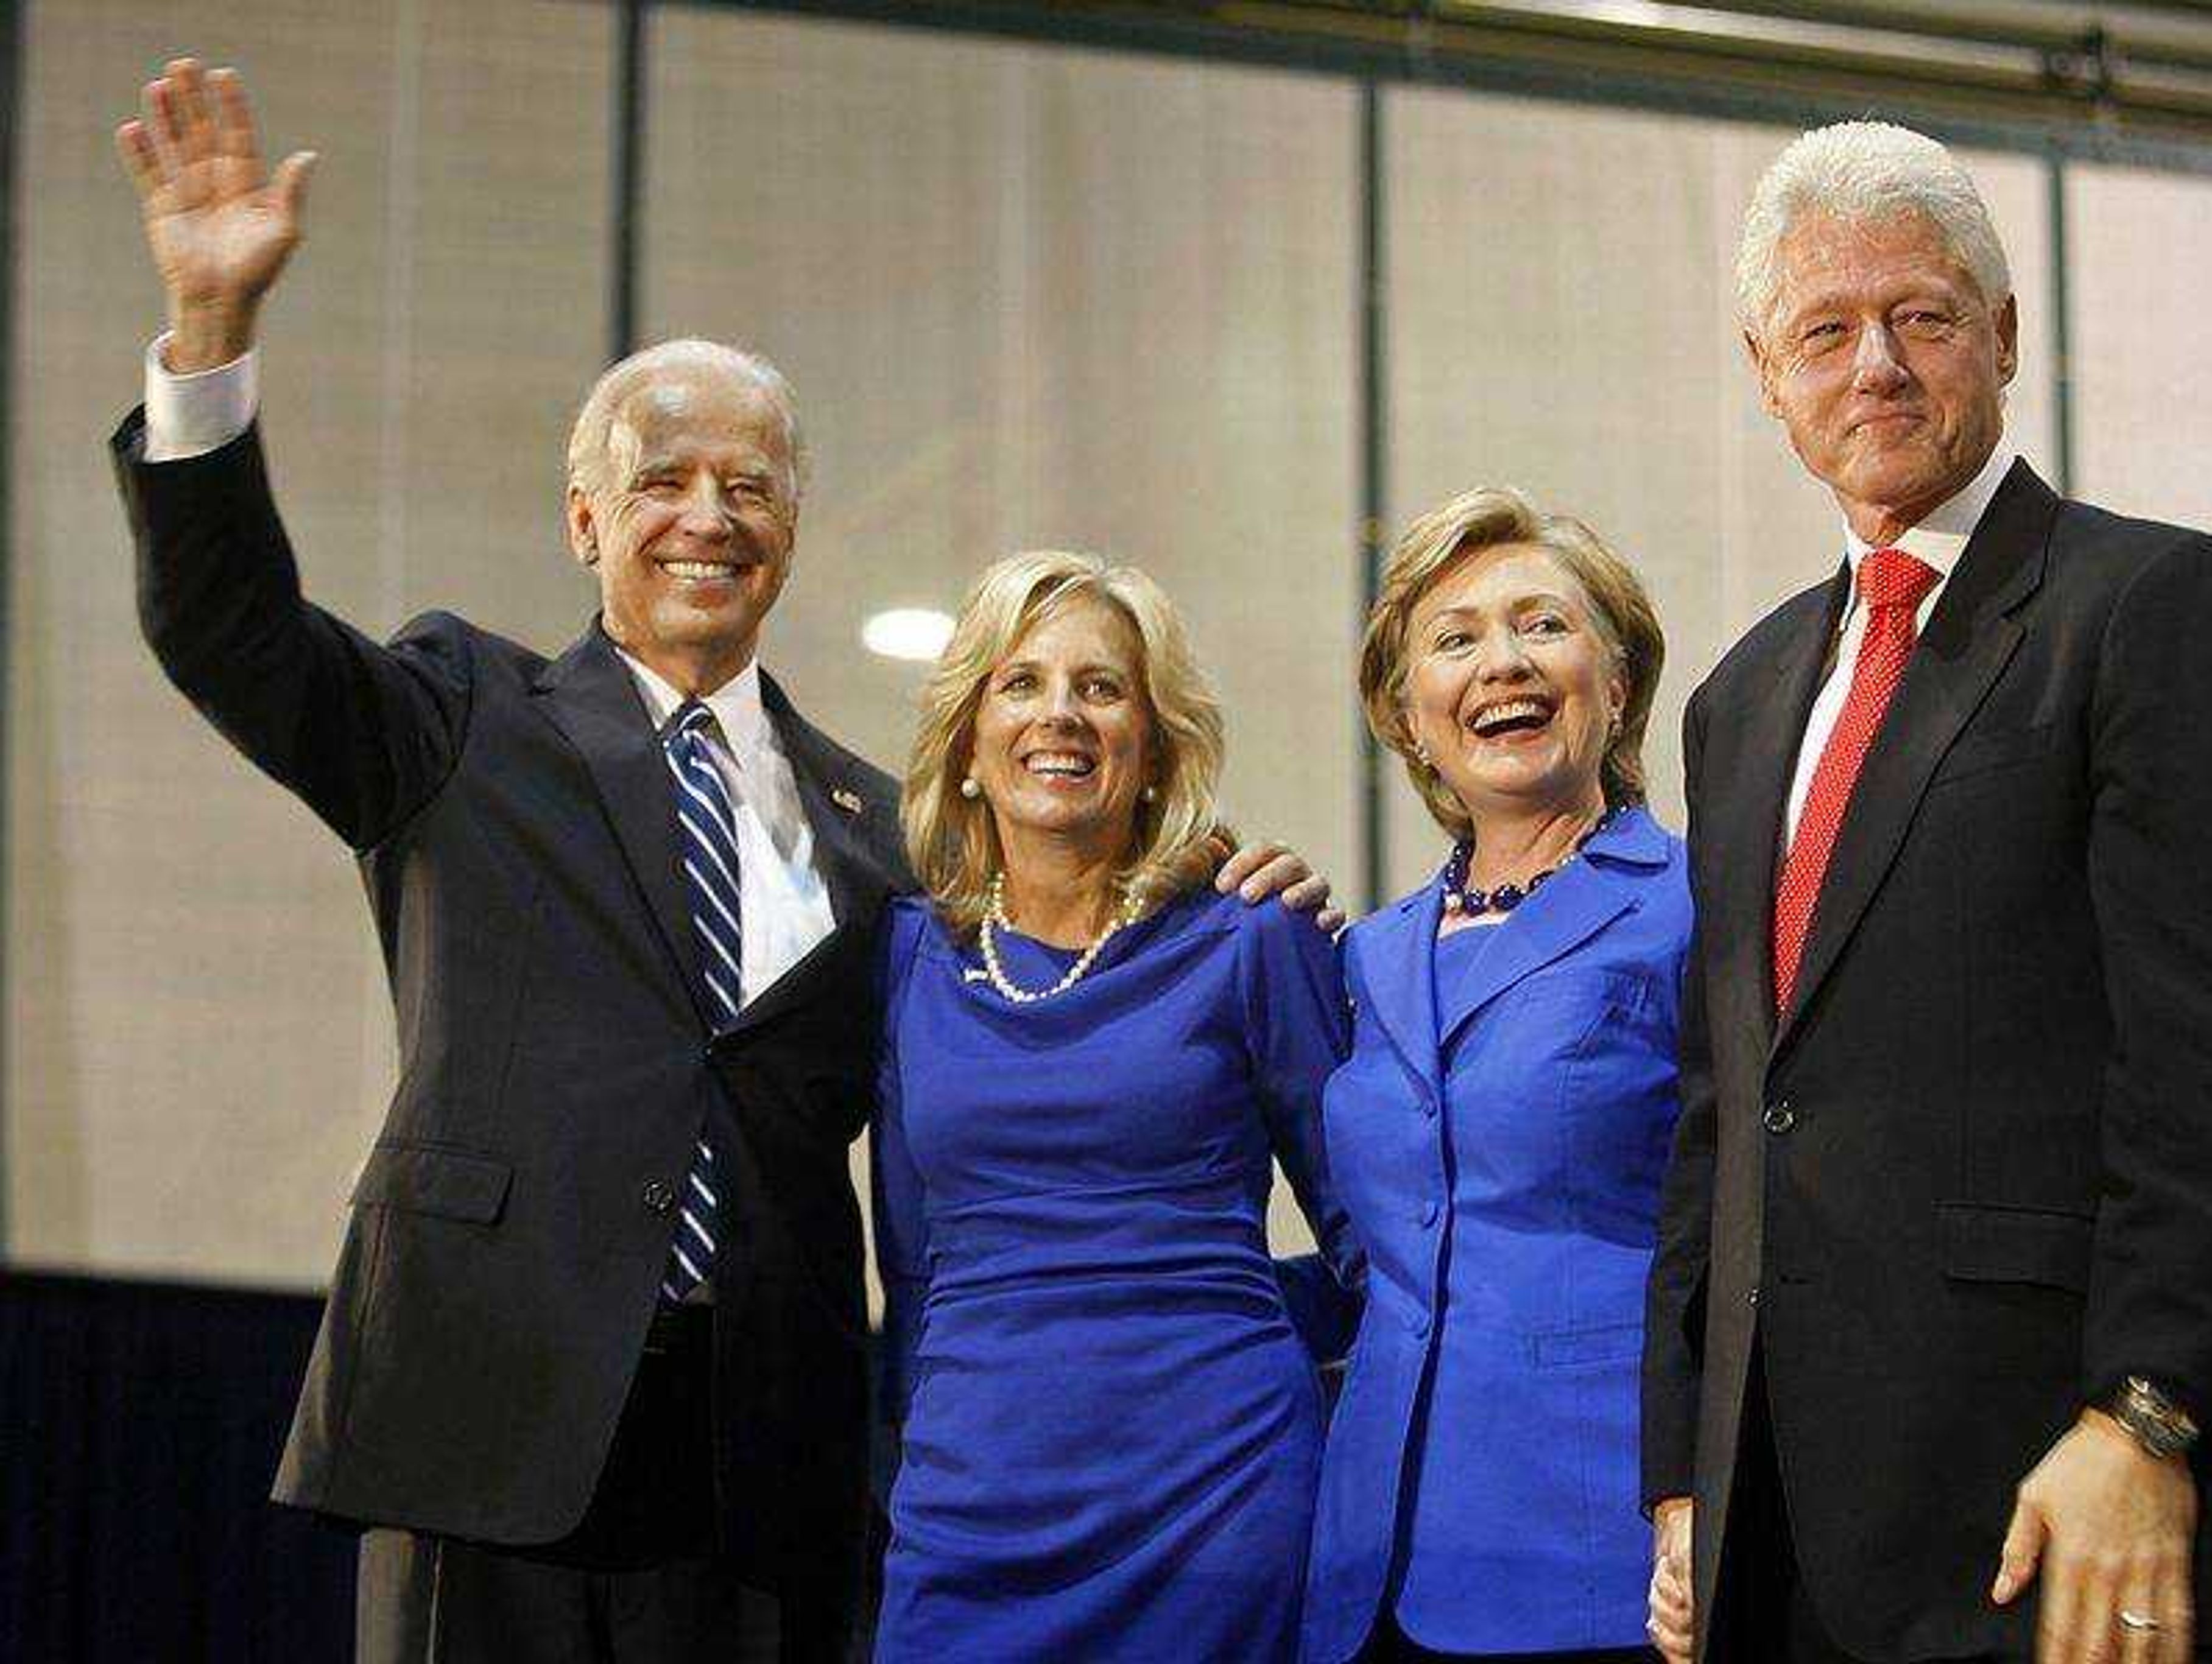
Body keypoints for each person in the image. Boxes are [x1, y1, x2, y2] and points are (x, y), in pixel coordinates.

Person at [109, 59, 1325, 1662]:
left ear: (793, 531)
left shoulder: (876, 831)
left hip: (766, 1454)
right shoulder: (464, 714)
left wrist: (1200, 872)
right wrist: (208, 342)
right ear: (583, 520)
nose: (708, 511)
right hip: (497, 1408)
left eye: (748, 482)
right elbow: (232, 633)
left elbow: (1049, 948)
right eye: (663, 476)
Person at [1640, 119, 2212, 1664]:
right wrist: (1684, 1467)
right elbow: (1724, 1108)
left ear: (2004, 338)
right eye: (1826, 330)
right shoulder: (1740, 698)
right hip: (1783, 1536)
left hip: (2062, 1512)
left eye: (1921, 315)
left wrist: (2151, 1411)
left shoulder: (2155, 606)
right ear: (1769, 375)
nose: (1874, 362)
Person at [870, 552, 1364, 1661]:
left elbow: (1378, 1239)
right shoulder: (908, 955)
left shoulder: (1252, 934)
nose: (1062, 715)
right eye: (1023, 682)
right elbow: (914, 1270)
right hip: (968, 1519)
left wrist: (1222, 1319)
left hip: (1215, 1504)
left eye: (1102, 688)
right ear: (967, 744)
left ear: (1152, 748)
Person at [1302, 488, 1686, 1663]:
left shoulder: (1698, 905)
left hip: (1601, 1540)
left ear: (1616, 685)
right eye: (1456, 638)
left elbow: (1761, 1228)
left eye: (1543, 625)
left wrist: (1702, 1497)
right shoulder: (1364, 954)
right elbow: (1380, 1242)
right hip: (1375, 1546)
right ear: (1409, 714)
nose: (1501, 663)